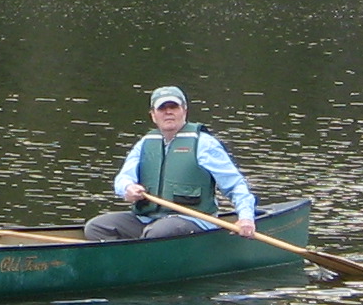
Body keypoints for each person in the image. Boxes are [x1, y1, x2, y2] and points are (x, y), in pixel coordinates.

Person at [85, 85, 256, 242]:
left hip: (193, 220)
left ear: (184, 111)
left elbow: (235, 185)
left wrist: (246, 217)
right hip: (148, 219)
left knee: (157, 233)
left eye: (173, 107)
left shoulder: (204, 144)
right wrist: (127, 188)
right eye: (162, 108)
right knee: (96, 227)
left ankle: (144, 256)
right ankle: (124, 264)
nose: (168, 112)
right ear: (153, 115)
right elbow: (122, 178)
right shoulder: (145, 143)